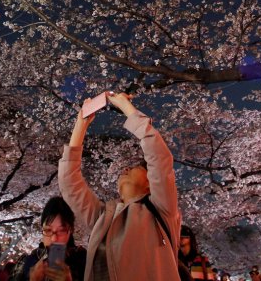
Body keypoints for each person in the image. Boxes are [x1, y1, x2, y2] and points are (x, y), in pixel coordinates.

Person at [59, 91, 181, 281]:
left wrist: (126, 107)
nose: (125, 168)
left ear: (151, 182)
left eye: (134, 167)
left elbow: (159, 157)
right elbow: (69, 184)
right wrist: (80, 125)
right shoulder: (102, 216)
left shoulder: (160, 209)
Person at [13, 196, 87, 281]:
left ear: (71, 231)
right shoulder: (27, 261)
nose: (54, 238)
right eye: (48, 230)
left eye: (62, 230)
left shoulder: (85, 262)